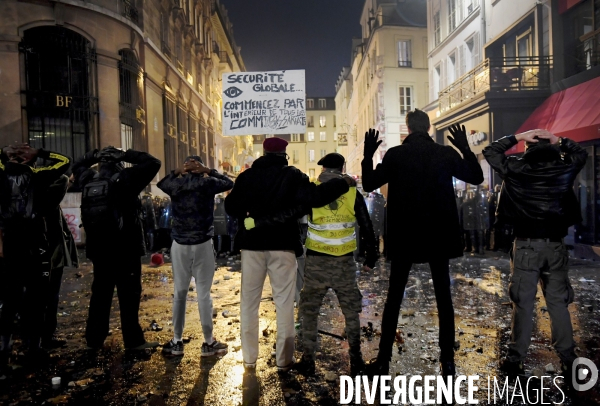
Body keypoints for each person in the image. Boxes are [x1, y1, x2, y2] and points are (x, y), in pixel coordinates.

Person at [361, 109, 484, 379]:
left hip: (405, 235)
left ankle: (383, 361)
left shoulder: (395, 155)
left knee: (394, 298)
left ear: (408, 128)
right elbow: (476, 177)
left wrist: (368, 155)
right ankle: (447, 362)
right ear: (428, 128)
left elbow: (369, 183)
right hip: (437, 235)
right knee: (444, 298)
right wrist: (465, 148)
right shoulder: (444, 153)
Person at [224, 137, 352, 372]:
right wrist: (342, 183)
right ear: (284, 153)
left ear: (263, 152)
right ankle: (284, 359)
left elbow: (231, 207)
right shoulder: (293, 175)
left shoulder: (247, 176)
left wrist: (250, 214)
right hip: (283, 246)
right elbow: (314, 197)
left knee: (249, 303)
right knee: (283, 302)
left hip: (252, 246)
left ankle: (249, 358)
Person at [482, 129, 586, 381]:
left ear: (528, 151)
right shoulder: (563, 169)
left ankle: (516, 359)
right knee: (557, 304)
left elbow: (490, 152)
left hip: (526, 243)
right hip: (555, 245)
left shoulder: (518, 170)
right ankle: (567, 357)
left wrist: (518, 136)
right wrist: (559, 140)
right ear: (552, 150)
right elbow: (580, 154)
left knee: (523, 304)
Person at [73, 146, 161, 351]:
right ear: (118, 164)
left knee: (100, 294)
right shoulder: (127, 178)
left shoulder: (88, 179)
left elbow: (77, 164)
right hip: (125, 248)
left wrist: (93, 155)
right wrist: (125, 153)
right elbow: (154, 162)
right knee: (128, 296)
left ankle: (94, 339)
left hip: (99, 249)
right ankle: (133, 340)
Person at [298, 153, 378, 376]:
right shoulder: (352, 191)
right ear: (342, 168)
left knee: (310, 311)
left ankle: (308, 361)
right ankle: (356, 360)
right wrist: (371, 257)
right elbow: (366, 224)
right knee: (351, 313)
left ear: (323, 168)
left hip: (315, 262)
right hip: (344, 262)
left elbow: (296, 215)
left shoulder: (312, 188)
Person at [0, 143, 71, 368]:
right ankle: (34, 347)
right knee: (37, 297)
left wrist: (6, 152)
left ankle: (5, 352)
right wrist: (39, 153)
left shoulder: (1, 175)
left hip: (11, 243)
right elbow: (65, 162)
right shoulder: (38, 175)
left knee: (10, 299)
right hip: (35, 243)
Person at [157, 155, 233, 357]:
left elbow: (160, 183)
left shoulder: (175, 184)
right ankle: (208, 342)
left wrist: (176, 172)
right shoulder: (207, 183)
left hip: (180, 243)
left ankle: (176, 341)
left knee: (180, 293)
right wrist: (208, 170)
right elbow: (229, 182)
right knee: (204, 294)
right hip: (202, 243)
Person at [41, 174, 79, 349]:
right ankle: (45, 338)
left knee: (47, 298)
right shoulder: (48, 202)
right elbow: (63, 178)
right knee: (48, 298)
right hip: (49, 257)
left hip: (48, 256)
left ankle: (43, 338)